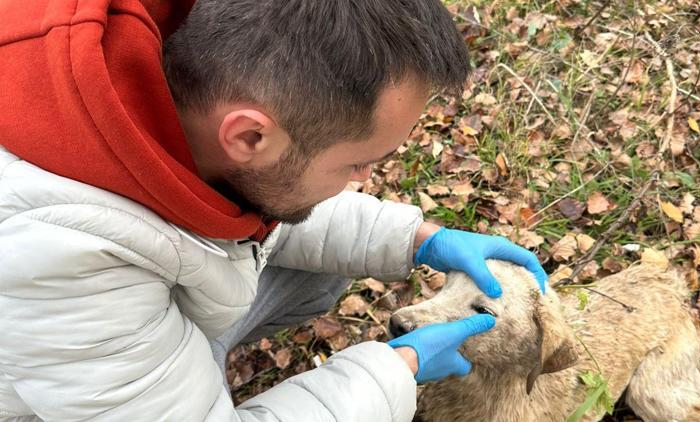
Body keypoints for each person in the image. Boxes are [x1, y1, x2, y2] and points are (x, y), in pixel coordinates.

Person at [0, 0, 547, 420]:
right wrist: (399, 369)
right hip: (38, 385)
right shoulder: (56, 250)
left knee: (319, 277)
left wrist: (416, 238)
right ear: (249, 134)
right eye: (356, 163)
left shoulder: (177, 61)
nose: (367, 179)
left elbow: (266, 192)